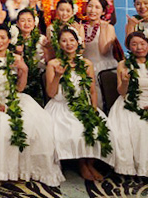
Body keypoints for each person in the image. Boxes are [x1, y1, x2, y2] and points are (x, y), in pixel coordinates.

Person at [0, 24, 63, 186]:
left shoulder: (16, 58)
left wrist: (24, 70)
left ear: (9, 40)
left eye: (3, 38)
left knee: (29, 124)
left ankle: (20, 169)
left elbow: (20, 88)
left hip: (14, 97)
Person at [44, 27, 114, 180]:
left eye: (72, 40)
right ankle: (82, 165)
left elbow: (92, 91)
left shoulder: (86, 64)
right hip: (61, 106)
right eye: (64, 41)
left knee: (99, 128)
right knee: (76, 129)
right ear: (59, 44)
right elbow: (51, 93)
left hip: (84, 104)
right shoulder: (53, 64)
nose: (68, 44)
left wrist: (93, 109)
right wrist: (57, 76)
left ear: (77, 42)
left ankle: (90, 163)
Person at [108, 31, 148, 181]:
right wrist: (125, 82)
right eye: (134, 44)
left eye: (142, 44)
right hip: (128, 104)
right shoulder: (123, 64)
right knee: (136, 128)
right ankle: (132, 168)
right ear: (129, 47)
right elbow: (122, 92)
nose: (139, 47)